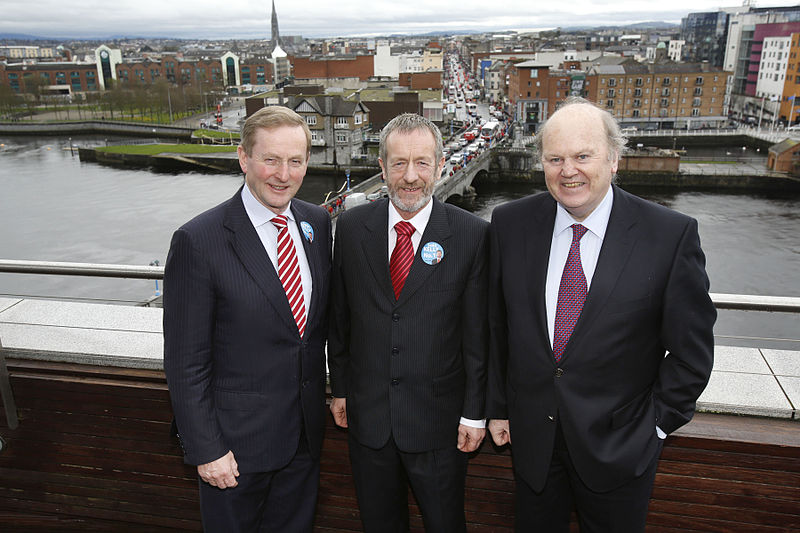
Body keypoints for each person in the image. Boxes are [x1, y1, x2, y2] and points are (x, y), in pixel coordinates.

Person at [487, 97, 716, 532]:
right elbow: (499, 328)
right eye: (555, 158)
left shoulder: (669, 235)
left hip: (621, 450)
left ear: (613, 159)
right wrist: (499, 407)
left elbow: (692, 352)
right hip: (533, 443)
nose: (567, 170)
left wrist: (656, 428)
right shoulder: (510, 224)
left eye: (582, 156)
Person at [163, 105, 331, 532]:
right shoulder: (199, 241)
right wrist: (206, 449)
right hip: (233, 454)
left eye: (295, 161)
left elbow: (310, 333)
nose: (283, 174)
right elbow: (185, 362)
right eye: (270, 159)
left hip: (303, 443)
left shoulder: (316, 223)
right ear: (243, 158)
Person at [328, 113, 489, 532]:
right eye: (399, 163)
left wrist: (475, 413)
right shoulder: (350, 228)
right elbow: (340, 319)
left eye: (422, 163)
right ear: (381, 167)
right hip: (369, 422)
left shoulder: (472, 235)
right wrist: (341, 388)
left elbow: (478, 334)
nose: (411, 176)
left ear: (440, 166)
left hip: (439, 426)